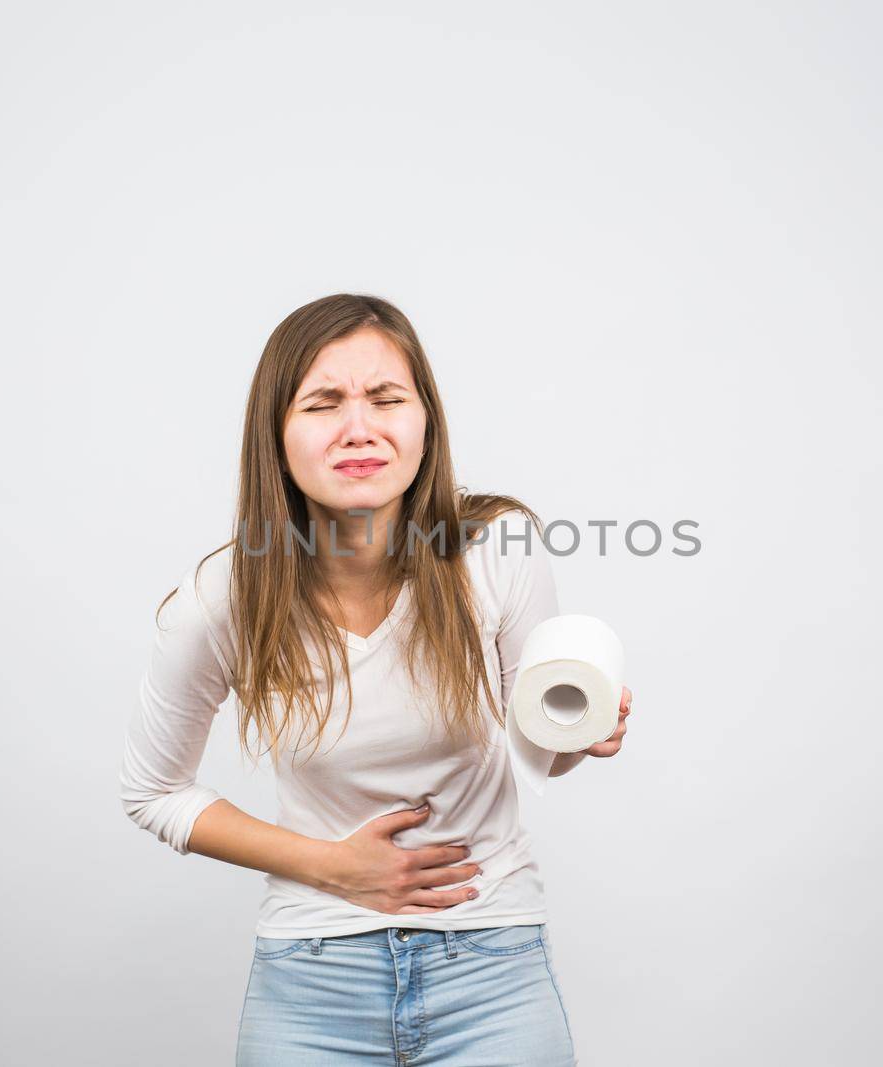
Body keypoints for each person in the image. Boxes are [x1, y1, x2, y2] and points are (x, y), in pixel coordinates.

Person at [119, 293, 632, 1065]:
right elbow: (152, 789)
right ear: (277, 435)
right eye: (324, 403)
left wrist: (582, 730)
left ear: (425, 420)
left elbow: (543, 748)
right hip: (312, 976)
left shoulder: (497, 548)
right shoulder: (223, 598)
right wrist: (329, 864)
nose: (360, 427)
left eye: (386, 398)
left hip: (490, 962)